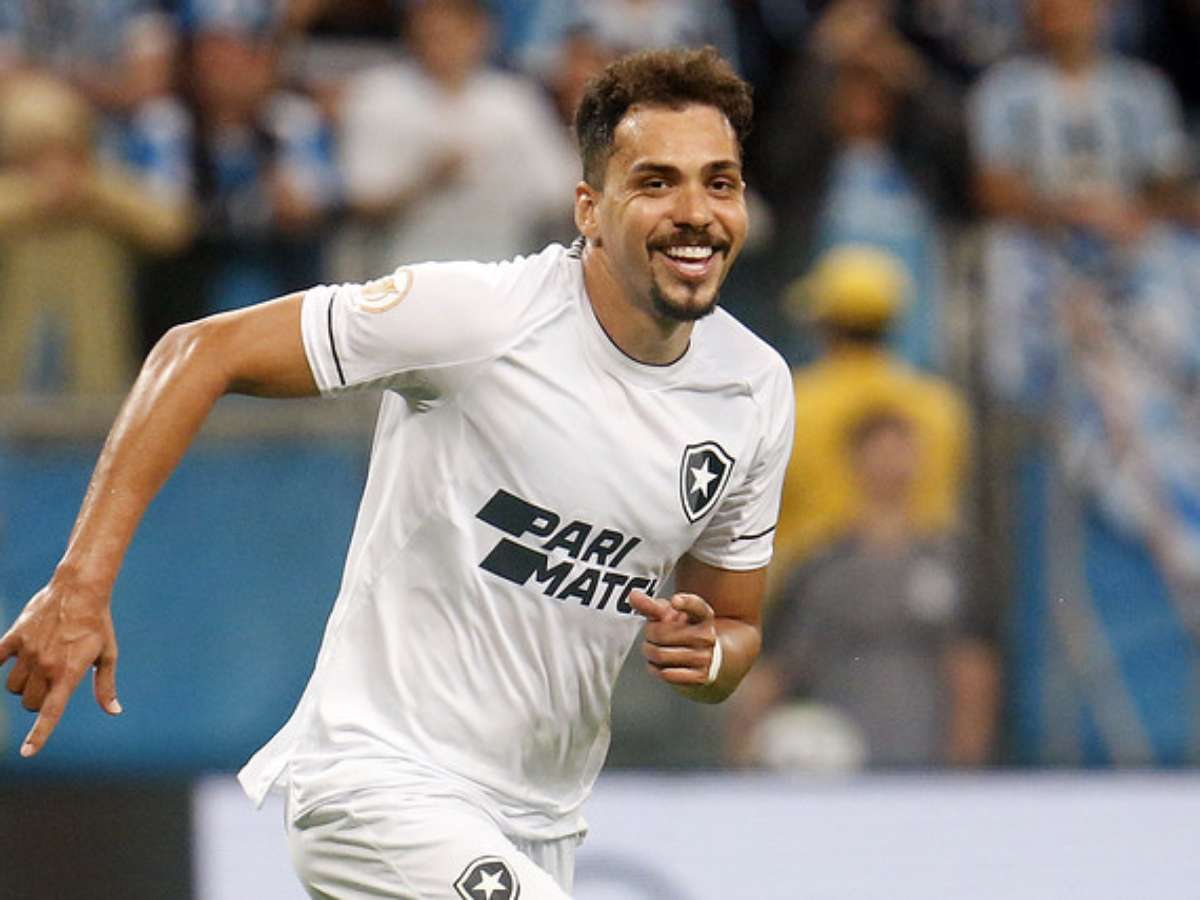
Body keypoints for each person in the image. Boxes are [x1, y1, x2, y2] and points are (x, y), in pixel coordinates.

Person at [0, 46, 793, 899]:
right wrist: (80, 583)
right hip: (380, 784)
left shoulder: (753, 391)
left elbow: (734, 627)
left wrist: (709, 655)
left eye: (720, 183)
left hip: (542, 820)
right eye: (656, 183)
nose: (695, 213)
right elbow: (198, 352)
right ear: (589, 209)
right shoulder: (479, 319)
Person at [728, 409, 998, 771]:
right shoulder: (818, 569)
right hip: (834, 769)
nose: (891, 464)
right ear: (854, 462)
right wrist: (743, 748)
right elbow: (774, 670)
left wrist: (966, 763)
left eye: (901, 451)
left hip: (926, 768)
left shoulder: (952, 564)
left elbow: (973, 670)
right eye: (880, 452)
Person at [771, 244, 971, 579]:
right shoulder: (939, 405)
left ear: (826, 325)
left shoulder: (794, 402)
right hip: (921, 587)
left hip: (812, 588)